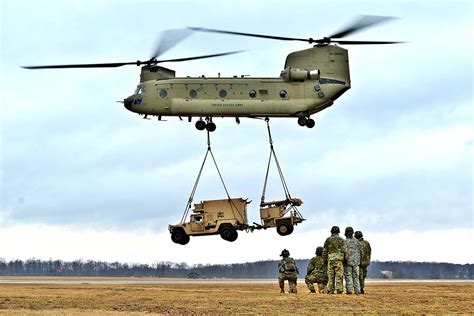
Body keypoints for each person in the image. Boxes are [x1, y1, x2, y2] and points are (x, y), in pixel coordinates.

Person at [323, 226, 347, 294]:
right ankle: (339, 289)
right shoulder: (341, 240)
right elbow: (344, 251)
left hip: (330, 260)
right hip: (339, 260)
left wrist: (325, 260)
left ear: (331, 232)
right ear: (338, 232)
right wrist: (344, 260)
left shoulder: (328, 240)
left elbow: (325, 251)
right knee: (339, 275)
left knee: (331, 276)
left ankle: (330, 289)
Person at [343, 226, 363, 294]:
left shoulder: (344, 242)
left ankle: (349, 290)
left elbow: (343, 252)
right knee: (356, 277)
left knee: (348, 276)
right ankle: (357, 290)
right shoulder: (357, 242)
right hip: (356, 262)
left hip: (347, 262)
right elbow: (361, 252)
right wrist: (359, 260)